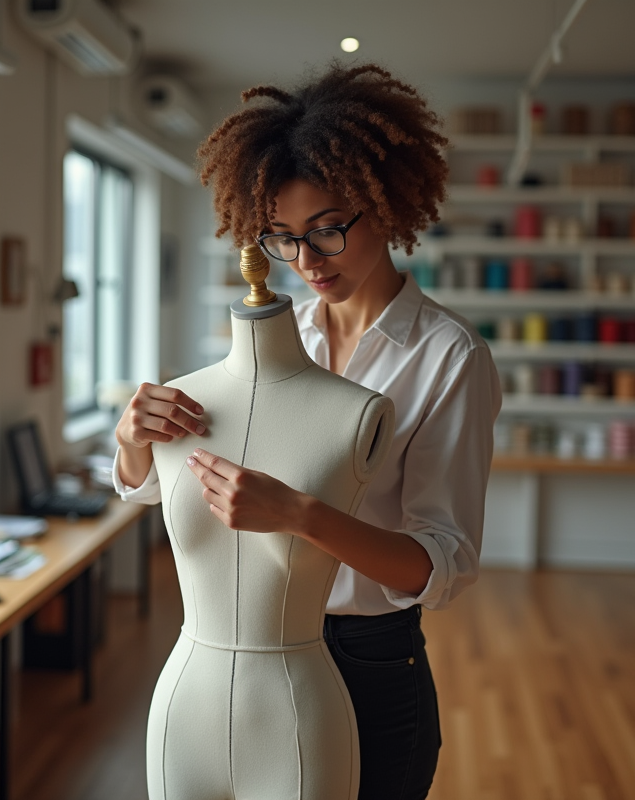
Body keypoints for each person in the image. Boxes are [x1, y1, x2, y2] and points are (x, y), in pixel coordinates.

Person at [113, 63, 501, 800]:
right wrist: (135, 443)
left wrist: (299, 515)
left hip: (368, 661)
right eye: (283, 238)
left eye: (327, 229)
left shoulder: (449, 357)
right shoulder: (276, 347)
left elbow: (441, 566)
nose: (306, 261)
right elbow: (161, 491)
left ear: (384, 205)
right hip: (239, 653)